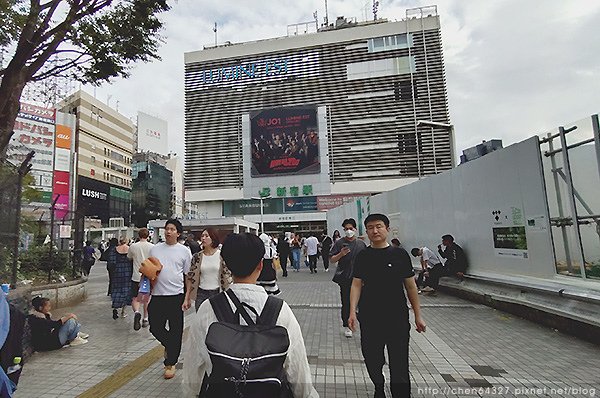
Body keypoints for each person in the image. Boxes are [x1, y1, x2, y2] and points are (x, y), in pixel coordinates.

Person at [182, 233, 318, 398]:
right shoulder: (279, 309)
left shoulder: (208, 309)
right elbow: (297, 368)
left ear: (227, 265)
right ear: (260, 265)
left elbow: (192, 367)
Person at [349, 214, 426, 398]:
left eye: (379, 226)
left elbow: (410, 286)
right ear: (366, 231)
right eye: (370, 228)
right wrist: (352, 311)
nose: (374, 231)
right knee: (372, 358)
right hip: (370, 317)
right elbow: (356, 284)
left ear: (387, 229)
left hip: (397, 318)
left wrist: (418, 315)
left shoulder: (400, 255)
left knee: (400, 363)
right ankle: (378, 385)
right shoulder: (363, 256)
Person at [149, 219, 192, 379]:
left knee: (176, 330)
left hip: (176, 296)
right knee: (155, 327)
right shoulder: (155, 249)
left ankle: (170, 363)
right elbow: (149, 271)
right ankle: (170, 345)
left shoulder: (184, 251)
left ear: (178, 233)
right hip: (158, 295)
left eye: (172, 229)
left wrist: (187, 297)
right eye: (167, 229)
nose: (168, 232)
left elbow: (188, 276)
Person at [330, 218, 367, 338]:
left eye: (351, 229)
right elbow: (331, 259)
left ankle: (363, 324)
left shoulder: (361, 244)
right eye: (346, 229)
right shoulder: (339, 243)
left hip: (360, 278)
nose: (349, 231)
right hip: (345, 277)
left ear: (355, 229)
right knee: (346, 302)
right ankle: (347, 325)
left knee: (362, 302)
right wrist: (341, 254)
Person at [184, 228, 231, 312]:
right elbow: (190, 277)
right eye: (202, 236)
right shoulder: (197, 257)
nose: (203, 238)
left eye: (207, 236)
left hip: (218, 293)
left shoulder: (222, 255)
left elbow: (228, 275)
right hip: (201, 293)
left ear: (213, 238)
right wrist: (187, 297)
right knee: (201, 321)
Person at [128, 228, 154, 330]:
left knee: (135, 298)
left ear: (138, 236)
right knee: (146, 299)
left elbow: (129, 257)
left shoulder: (133, 246)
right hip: (147, 276)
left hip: (136, 275)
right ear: (148, 236)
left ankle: (137, 312)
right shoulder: (152, 247)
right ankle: (145, 318)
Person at [110, 237, 133, 320]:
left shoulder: (114, 249)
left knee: (116, 289)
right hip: (127, 271)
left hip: (117, 271)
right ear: (126, 241)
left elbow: (112, 262)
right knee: (126, 291)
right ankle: (123, 311)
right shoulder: (129, 249)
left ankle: (115, 308)